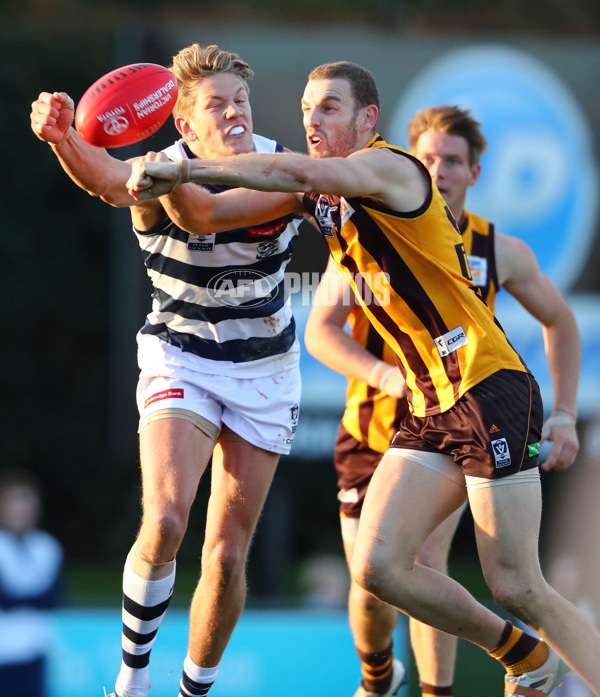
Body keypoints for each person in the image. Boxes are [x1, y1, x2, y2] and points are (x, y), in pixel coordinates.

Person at [129, 60, 600, 696]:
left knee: (518, 584)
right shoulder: (324, 196)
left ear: (367, 120)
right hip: (430, 405)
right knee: (378, 569)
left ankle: (527, 656)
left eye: (328, 108)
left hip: (488, 387)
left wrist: (183, 166)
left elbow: (293, 169)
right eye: (304, 109)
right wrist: (129, 165)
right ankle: (520, 654)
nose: (310, 121)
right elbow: (206, 217)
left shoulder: (389, 167)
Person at [30, 43, 305, 697]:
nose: (235, 112)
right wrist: (62, 135)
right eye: (217, 105)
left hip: (265, 366)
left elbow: (207, 212)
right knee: (166, 520)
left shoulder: (281, 170)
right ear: (184, 123)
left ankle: (194, 688)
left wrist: (166, 182)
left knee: (227, 554)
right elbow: (104, 178)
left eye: (240, 100)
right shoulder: (158, 171)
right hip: (181, 352)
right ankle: (131, 675)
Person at [302, 103, 581, 697]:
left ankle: (445, 689)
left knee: (446, 565)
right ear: (408, 162)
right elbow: (320, 330)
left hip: (466, 411)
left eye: (453, 161)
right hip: (377, 424)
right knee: (371, 579)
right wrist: (383, 376)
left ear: (474, 173)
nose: (440, 169)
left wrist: (565, 414)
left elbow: (561, 320)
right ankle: (379, 680)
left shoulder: (491, 247)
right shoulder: (366, 228)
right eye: (429, 158)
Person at [0, 469, 64, 697]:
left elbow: (54, 598)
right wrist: (33, 598)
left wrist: (18, 598)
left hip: (35, 648)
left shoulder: (47, 547)